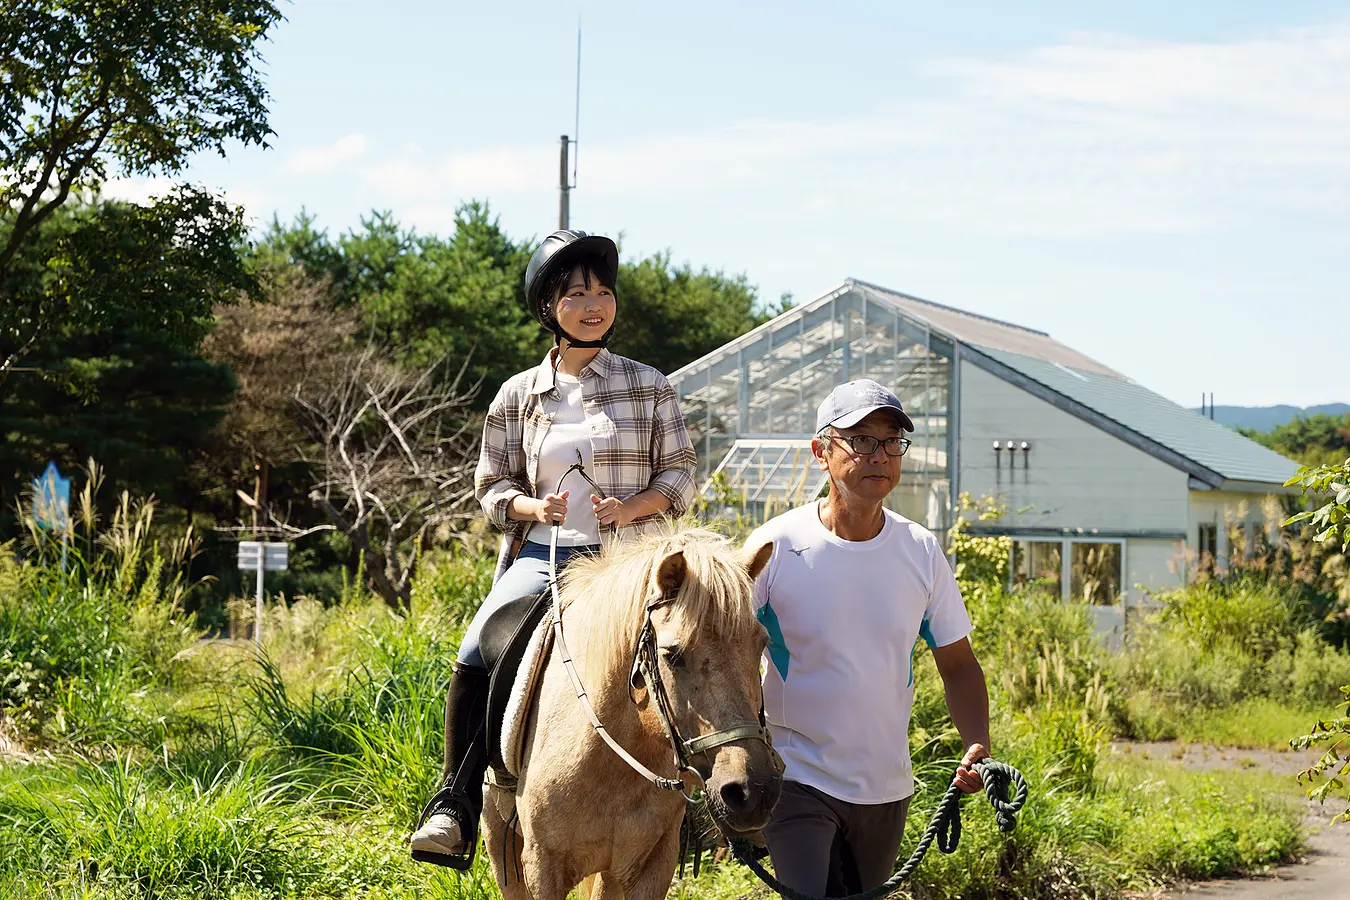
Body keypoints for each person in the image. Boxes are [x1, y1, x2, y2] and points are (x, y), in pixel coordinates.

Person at [410, 229, 697, 869]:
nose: (593, 303)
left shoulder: (651, 386)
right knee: (478, 641)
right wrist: (531, 507)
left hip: (635, 564)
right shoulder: (518, 393)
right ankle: (453, 803)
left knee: (711, 643)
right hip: (547, 555)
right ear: (550, 307)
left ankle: (707, 797)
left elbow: (681, 475)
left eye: (602, 291)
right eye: (575, 293)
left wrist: (633, 508)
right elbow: (489, 485)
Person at [744, 378, 993, 896]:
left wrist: (977, 747)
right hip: (796, 777)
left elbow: (959, 665)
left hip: (886, 786)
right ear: (821, 452)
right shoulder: (776, 546)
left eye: (890, 442)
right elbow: (722, 653)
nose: (879, 455)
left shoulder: (919, 550)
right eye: (860, 441)